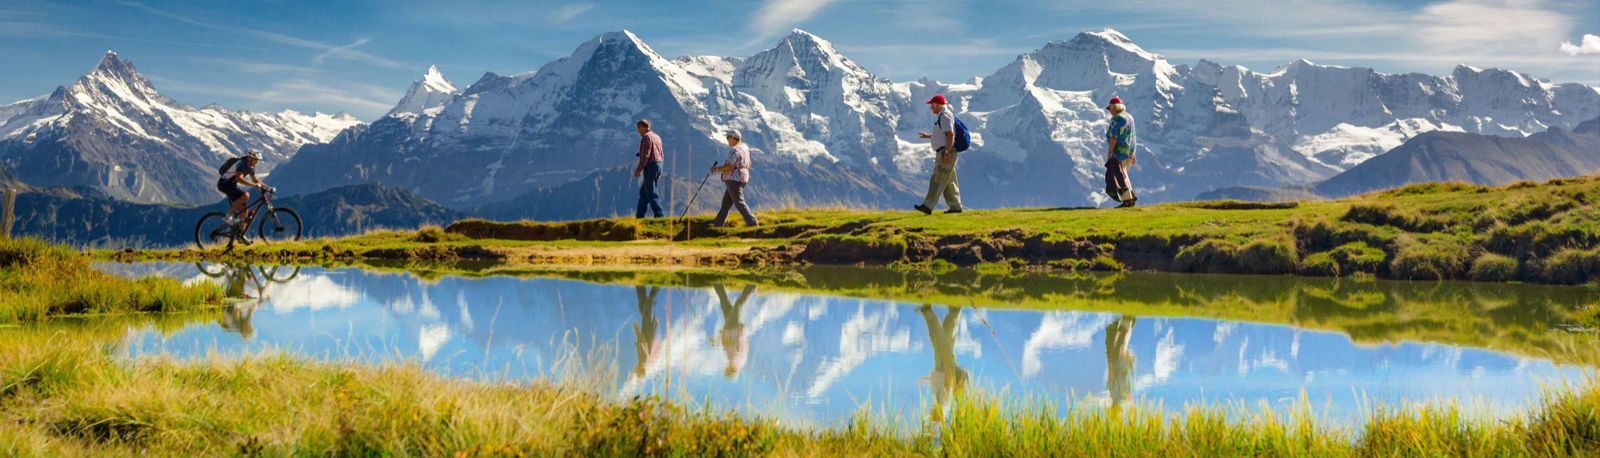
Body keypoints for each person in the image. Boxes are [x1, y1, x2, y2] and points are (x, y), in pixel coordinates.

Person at [919, 304, 968, 423]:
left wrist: (927, 379)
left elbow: (939, 385)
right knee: (937, 338)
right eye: (932, 414)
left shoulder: (939, 403)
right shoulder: (943, 402)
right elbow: (948, 381)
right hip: (943, 365)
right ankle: (927, 310)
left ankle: (955, 310)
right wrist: (947, 363)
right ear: (938, 414)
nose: (930, 411)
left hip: (940, 366)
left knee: (946, 334)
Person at [916, 95, 963, 215]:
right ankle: (955, 207)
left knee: (937, 178)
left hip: (946, 152)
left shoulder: (945, 116)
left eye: (932, 105)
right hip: (946, 151)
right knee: (949, 181)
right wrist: (929, 136)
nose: (931, 108)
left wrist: (947, 152)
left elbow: (951, 135)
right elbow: (944, 135)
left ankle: (928, 206)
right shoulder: (943, 116)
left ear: (937, 105)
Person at [710, 130, 758, 227]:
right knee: (726, 203)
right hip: (743, 177)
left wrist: (716, 169)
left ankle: (752, 222)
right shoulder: (745, 148)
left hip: (733, 179)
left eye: (728, 137)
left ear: (733, 138)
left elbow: (729, 167)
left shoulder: (734, 151)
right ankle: (718, 224)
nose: (727, 140)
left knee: (739, 202)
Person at [218, 150, 271, 227]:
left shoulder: (251, 167)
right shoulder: (242, 164)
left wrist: (268, 188)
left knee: (244, 209)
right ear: (250, 158)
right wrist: (253, 185)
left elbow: (255, 180)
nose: (256, 162)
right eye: (255, 160)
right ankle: (228, 217)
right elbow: (239, 178)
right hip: (224, 184)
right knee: (246, 195)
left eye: (257, 160)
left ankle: (240, 235)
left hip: (231, 185)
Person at [714, 284, 756, 378]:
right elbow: (727, 344)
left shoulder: (742, 362)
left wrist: (742, 332)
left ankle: (717, 284)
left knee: (725, 303)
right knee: (737, 305)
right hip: (731, 329)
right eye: (726, 369)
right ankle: (750, 287)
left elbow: (745, 345)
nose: (725, 367)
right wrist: (719, 337)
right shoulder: (732, 359)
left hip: (735, 330)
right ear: (729, 370)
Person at [1104, 97, 1137, 207]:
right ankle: (1130, 196)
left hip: (1119, 151)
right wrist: (1133, 153)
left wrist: (1110, 151)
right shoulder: (1130, 118)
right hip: (1129, 152)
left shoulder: (1117, 119)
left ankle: (1127, 199)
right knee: (1124, 174)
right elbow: (1132, 136)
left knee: (1119, 176)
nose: (1110, 111)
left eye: (1110, 108)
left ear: (1115, 107)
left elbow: (1114, 136)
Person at [633, 119, 665, 218]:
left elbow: (645, 156)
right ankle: (639, 217)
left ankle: (659, 215)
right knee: (644, 192)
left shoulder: (646, 138)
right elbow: (660, 153)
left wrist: (639, 169)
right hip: (658, 164)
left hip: (651, 165)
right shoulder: (657, 137)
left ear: (643, 127)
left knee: (651, 191)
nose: (638, 131)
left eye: (638, 128)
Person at [1104, 315, 1136, 408]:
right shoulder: (1115, 395)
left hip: (1120, 365)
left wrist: (1130, 364)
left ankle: (1128, 320)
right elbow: (1112, 375)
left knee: (1121, 342)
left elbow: (1112, 376)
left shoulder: (1117, 396)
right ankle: (1128, 320)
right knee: (1122, 342)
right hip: (1119, 365)